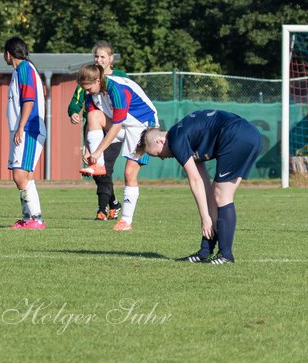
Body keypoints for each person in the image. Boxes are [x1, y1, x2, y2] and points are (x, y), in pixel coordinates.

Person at [136, 110, 263, 264]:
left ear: (160, 142)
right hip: (246, 134)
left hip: (236, 135)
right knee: (217, 194)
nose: (162, 158)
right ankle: (205, 251)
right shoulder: (186, 137)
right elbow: (203, 184)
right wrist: (208, 216)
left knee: (222, 195)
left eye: (157, 154)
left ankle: (226, 255)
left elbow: (195, 181)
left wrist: (205, 218)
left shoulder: (176, 139)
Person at [78, 64, 159, 232]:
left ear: (98, 80)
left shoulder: (117, 90)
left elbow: (116, 125)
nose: (87, 91)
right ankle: (98, 165)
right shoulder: (91, 94)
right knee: (93, 114)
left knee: (129, 173)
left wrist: (98, 150)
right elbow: (92, 121)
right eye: (83, 88)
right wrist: (88, 148)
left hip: (143, 126)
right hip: (124, 125)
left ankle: (126, 221)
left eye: (89, 87)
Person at [67, 42, 125, 221]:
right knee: (96, 168)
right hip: (94, 131)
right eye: (96, 56)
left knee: (104, 169)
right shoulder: (88, 79)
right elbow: (79, 107)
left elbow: (123, 111)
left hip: (115, 130)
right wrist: (74, 112)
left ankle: (102, 210)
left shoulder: (119, 79)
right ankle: (113, 203)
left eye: (102, 56)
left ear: (111, 59)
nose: (99, 60)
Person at [5, 37, 46, 229]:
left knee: (20, 175)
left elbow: (29, 100)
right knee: (22, 175)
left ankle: (36, 218)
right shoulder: (20, 71)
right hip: (23, 128)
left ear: (8, 53)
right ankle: (27, 218)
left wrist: (21, 127)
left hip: (29, 129)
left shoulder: (24, 70)